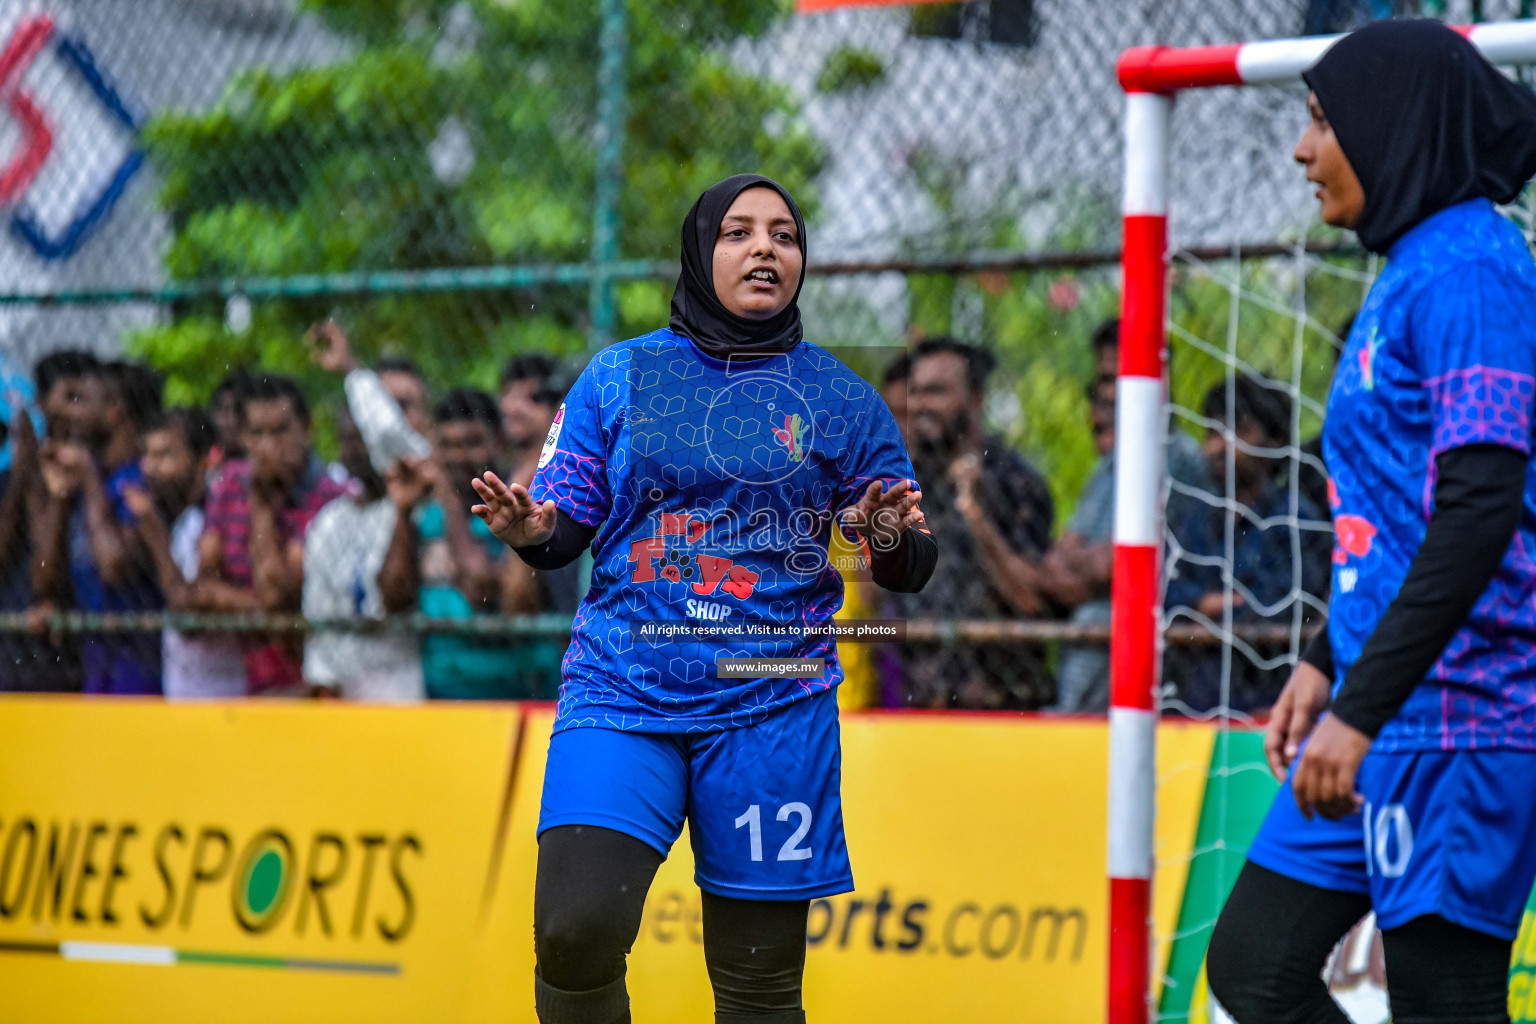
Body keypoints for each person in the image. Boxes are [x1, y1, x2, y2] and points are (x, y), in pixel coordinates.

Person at [469, 174, 934, 1024]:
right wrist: (530, 528)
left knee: (758, 987)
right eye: (740, 232)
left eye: (785, 236)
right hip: (622, 693)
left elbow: (909, 565)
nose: (766, 248)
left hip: (771, 705)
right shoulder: (620, 377)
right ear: (699, 250)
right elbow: (562, 532)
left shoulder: (840, 399)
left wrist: (887, 532)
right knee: (575, 933)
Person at [1205, 22, 1536, 1024]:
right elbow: (1392, 513)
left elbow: (1480, 508)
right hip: (1381, 701)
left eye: (1320, 120)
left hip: (1462, 715)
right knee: (1252, 969)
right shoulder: (1407, 270)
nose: (1303, 150)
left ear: (1392, 126)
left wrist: (1359, 704)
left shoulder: (1473, 268)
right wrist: (1320, 658)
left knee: (1445, 1001)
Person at [1043, 320, 1213, 713]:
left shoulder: (1179, 458)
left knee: (1097, 615)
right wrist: (1086, 568)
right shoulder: (1108, 464)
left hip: (1157, 622)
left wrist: (1083, 569)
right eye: (1102, 379)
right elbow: (1057, 563)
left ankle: (1072, 721)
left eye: (1116, 377)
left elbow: (1120, 565)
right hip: (1099, 615)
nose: (1108, 392)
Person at [890, 335, 1052, 709]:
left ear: (976, 398)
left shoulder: (1015, 481)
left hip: (1002, 702)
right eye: (916, 392)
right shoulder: (909, 483)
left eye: (937, 392)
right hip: (919, 701)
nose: (922, 405)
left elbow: (1031, 601)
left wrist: (975, 512)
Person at [1164, 378, 1329, 713]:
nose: (1218, 446)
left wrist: (1204, 609)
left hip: (1268, 702)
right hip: (1191, 704)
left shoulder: (1297, 521)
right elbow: (1168, 594)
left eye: (1238, 431)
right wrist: (1213, 603)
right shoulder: (1196, 519)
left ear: (1275, 440)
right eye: (1212, 432)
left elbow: (1281, 608)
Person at [197, 375, 349, 695]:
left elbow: (276, 593)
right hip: (240, 680)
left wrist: (261, 504)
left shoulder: (332, 499)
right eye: (257, 433)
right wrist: (262, 612)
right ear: (243, 437)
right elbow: (202, 586)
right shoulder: (228, 485)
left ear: (306, 429)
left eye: (280, 431)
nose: (268, 446)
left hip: (313, 681)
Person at [33, 361, 164, 695]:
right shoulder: (91, 482)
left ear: (113, 410)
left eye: (79, 399)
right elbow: (45, 579)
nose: (68, 412)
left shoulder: (140, 480)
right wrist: (60, 498)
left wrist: (88, 478)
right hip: (94, 672)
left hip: (138, 675)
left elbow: (114, 565)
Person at [415, 387, 530, 700]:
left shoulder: (519, 507)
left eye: (472, 443)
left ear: (500, 443)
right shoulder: (422, 515)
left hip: (511, 693)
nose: (458, 458)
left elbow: (478, 588)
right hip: (437, 695)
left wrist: (447, 496)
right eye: (447, 446)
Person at [122, 408, 246, 699]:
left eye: (164, 456)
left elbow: (187, 617)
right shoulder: (184, 520)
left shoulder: (217, 522)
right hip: (184, 696)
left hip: (225, 696)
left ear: (204, 461)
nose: (149, 468)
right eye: (147, 455)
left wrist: (154, 533)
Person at [302, 409, 425, 702]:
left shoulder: (415, 513)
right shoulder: (328, 522)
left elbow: (397, 596)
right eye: (348, 441)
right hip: (342, 685)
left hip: (400, 681)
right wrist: (322, 683)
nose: (355, 450)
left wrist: (402, 510)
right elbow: (318, 614)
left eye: (364, 440)